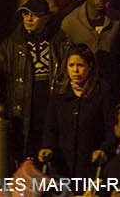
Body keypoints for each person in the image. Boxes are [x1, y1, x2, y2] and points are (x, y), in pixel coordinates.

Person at [0, 0, 66, 168]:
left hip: (51, 116)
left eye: (34, 15)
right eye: (25, 14)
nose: (28, 19)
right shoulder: (10, 46)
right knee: (24, 166)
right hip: (22, 120)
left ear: (46, 18)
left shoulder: (59, 42)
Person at [37, 46, 114, 178]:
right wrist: (48, 148)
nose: (75, 70)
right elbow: (51, 128)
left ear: (90, 66)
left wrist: (104, 150)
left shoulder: (101, 93)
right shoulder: (59, 93)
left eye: (80, 65)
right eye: (71, 65)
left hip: (90, 167)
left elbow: (110, 128)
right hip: (62, 168)